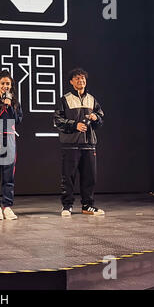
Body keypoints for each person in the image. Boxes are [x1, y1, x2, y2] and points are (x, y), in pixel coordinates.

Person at [53, 68, 105, 217]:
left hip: (89, 144)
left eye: (83, 78)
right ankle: (67, 206)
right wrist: (74, 125)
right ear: (71, 82)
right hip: (71, 144)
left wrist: (96, 118)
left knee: (90, 176)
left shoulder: (92, 99)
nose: (80, 81)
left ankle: (87, 205)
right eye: (77, 79)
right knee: (68, 177)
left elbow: (100, 120)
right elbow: (58, 120)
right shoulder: (65, 99)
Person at [0, 70, 23, 220]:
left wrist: (10, 106)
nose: (5, 86)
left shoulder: (15, 102)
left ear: (11, 85)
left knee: (9, 176)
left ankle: (7, 206)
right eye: (3, 83)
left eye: (8, 83)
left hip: (10, 140)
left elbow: (18, 120)